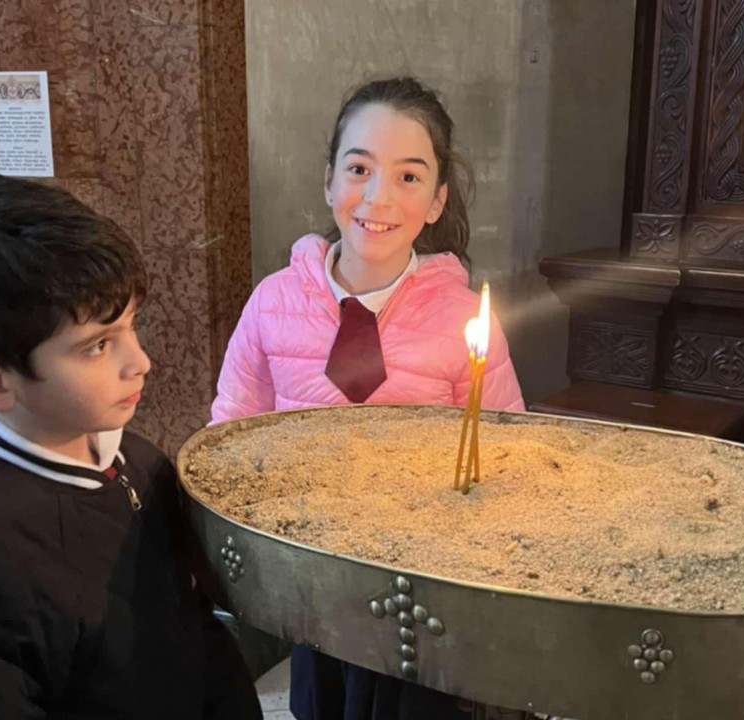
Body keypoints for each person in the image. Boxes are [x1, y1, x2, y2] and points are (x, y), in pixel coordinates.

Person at [210, 77, 525, 719]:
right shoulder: (273, 303)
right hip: (317, 582)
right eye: (359, 169)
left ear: (437, 200)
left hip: (426, 594)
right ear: (329, 181)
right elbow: (231, 436)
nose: (378, 197)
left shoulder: (464, 317)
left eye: (408, 176)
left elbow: (504, 449)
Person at [0, 174, 262, 719]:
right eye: (97, 346)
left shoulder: (138, 462)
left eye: (131, 326)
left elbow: (198, 641)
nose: (140, 362)